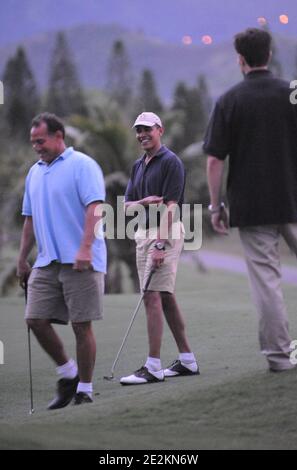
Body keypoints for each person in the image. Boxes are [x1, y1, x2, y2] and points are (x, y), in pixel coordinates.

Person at [204, 28, 297, 372]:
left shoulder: (229, 100)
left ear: (240, 60)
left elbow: (214, 160)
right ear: (269, 55)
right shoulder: (293, 93)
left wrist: (216, 207)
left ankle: (279, 357)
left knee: (268, 283)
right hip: (293, 199)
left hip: (252, 206)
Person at [17, 112, 106, 408]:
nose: (36, 147)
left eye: (40, 141)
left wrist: (84, 248)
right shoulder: (34, 172)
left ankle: (85, 389)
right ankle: (69, 374)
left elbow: (95, 207)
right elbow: (29, 220)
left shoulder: (82, 165)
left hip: (81, 260)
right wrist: (22, 259)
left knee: (82, 326)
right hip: (46, 261)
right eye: (33, 143)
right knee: (35, 318)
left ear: (58, 136)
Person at [120, 112, 199, 385]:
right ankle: (187, 361)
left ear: (160, 130)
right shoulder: (138, 165)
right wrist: (143, 202)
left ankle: (152, 367)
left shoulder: (171, 162)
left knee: (152, 296)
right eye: (138, 130)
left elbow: (171, 206)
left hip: (164, 233)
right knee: (164, 296)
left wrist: (161, 244)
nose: (142, 134)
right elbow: (126, 205)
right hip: (142, 233)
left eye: (147, 129)